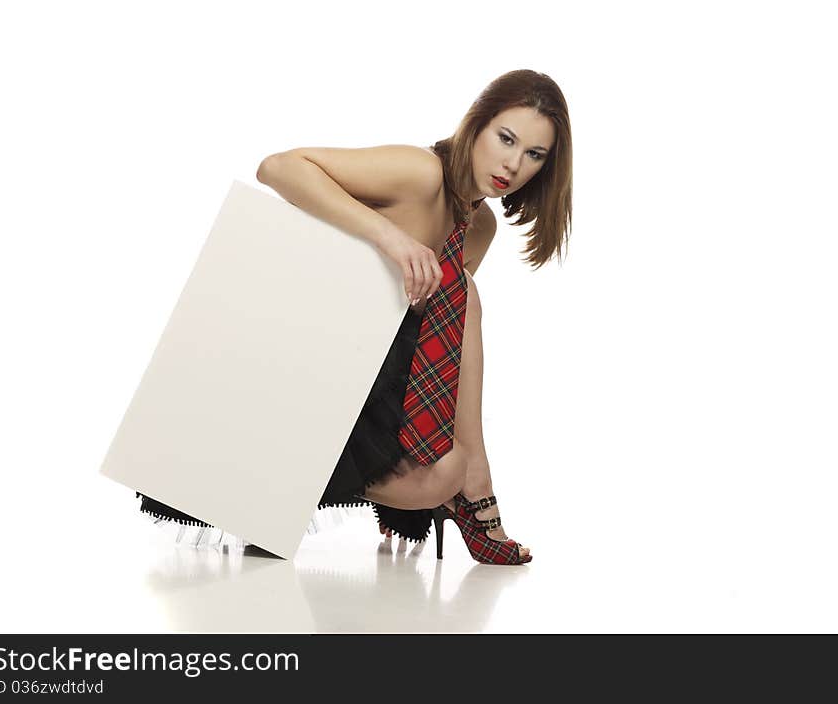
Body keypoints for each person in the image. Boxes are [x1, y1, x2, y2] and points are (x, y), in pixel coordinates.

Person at [137, 68, 573, 565]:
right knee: (467, 296)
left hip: (375, 380)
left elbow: (438, 344)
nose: (513, 164)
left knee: (442, 472)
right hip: (307, 363)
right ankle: (467, 488)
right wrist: (388, 236)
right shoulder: (420, 172)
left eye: (534, 155)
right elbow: (278, 167)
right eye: (506, 138)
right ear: (477, 124)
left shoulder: (481, 228)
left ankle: (451, 480)